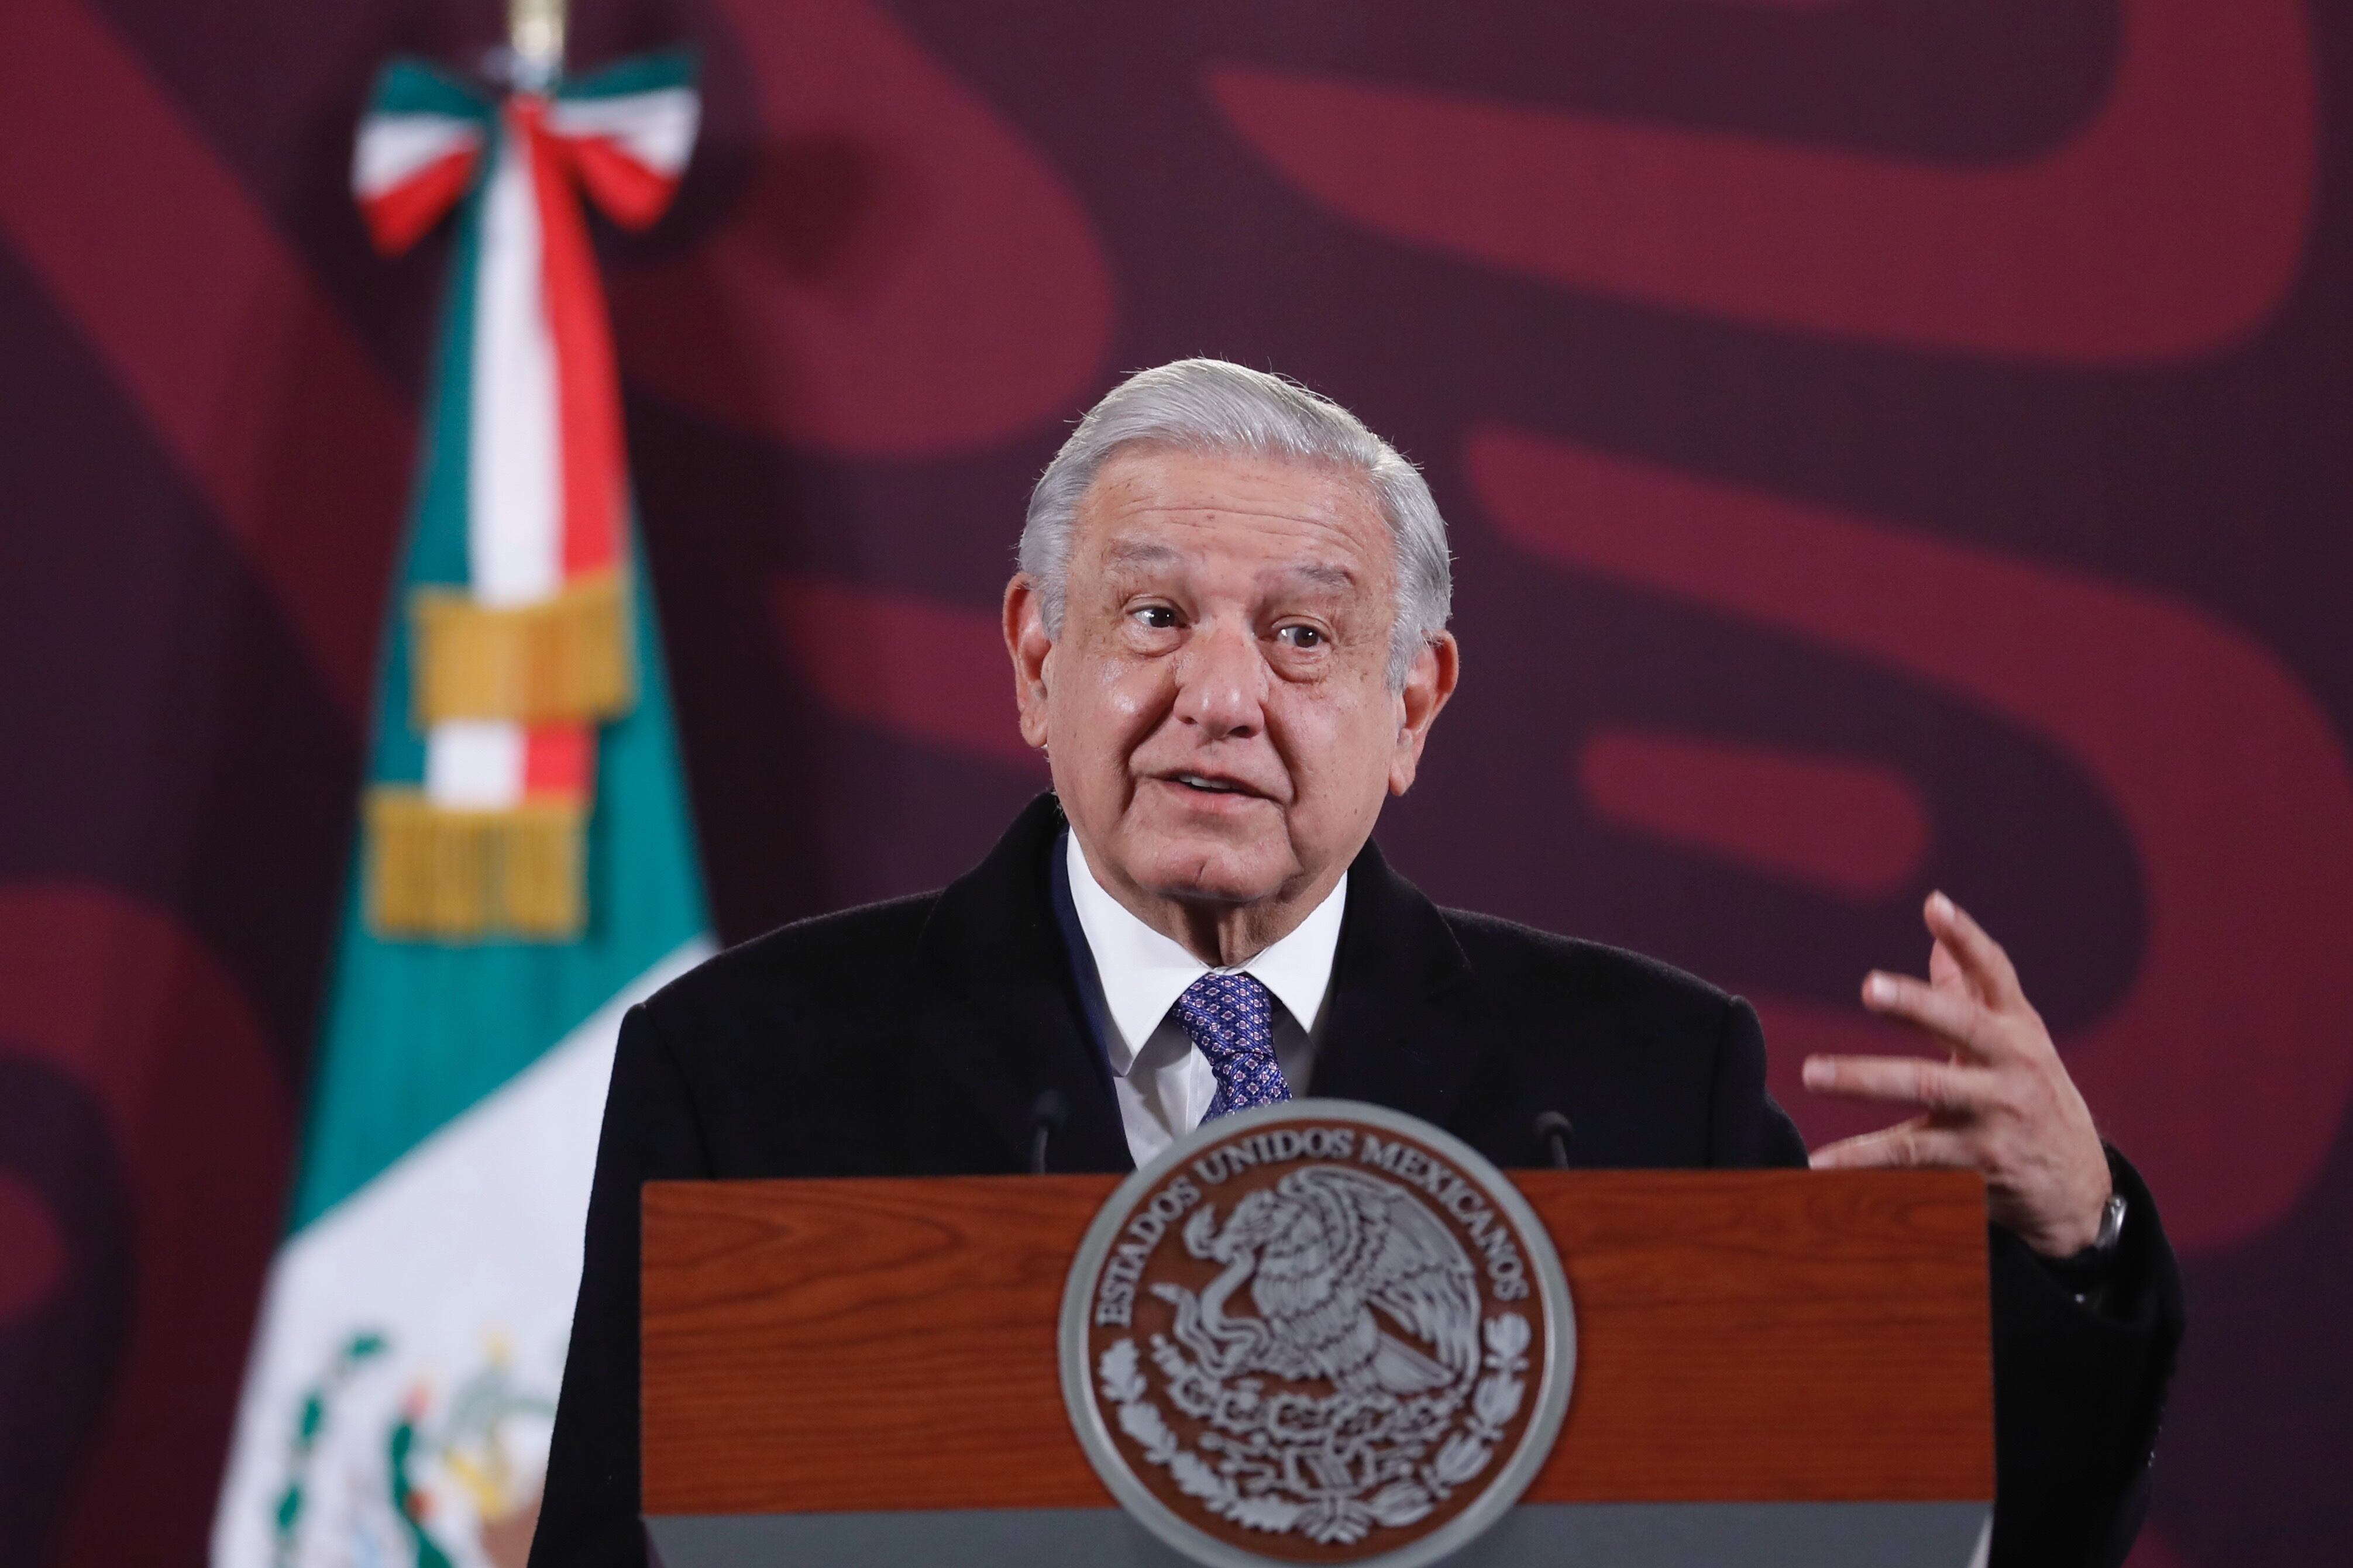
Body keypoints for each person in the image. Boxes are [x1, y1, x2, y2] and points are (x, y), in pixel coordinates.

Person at [531, 360, 2182, 1568]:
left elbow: (1908, 1542)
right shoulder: (747, 1069)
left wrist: (2073, 1247)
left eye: (1305, 635)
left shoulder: (1637, 1079)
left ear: (1415, 705)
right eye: (1156, 617)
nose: (1223, 697)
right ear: (1041, 662)